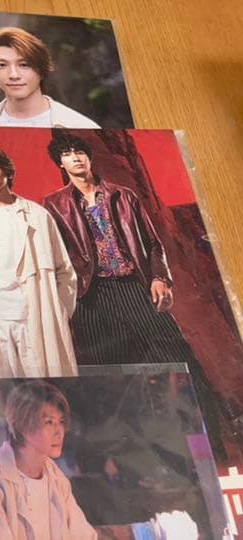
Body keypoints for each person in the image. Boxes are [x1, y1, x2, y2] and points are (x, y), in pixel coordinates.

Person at [42, 133, 224, 455]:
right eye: (68, 154)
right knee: (108, 380)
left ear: (89, 157)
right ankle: (127, 457)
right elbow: (54, 257)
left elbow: (152, 243)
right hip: (90, 298)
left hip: (134, 287)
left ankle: (213, 445)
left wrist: (159, 277)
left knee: (179, 363)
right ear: (60, 162)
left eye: (80, 151)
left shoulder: (123, 196)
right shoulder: (54, 205)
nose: (76, 158)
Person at [0, 145, 78, 378]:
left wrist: (59, 309)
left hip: (35, 316)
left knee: (47, 386)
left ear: (6, 171)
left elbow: (64, 269)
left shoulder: (38, 215)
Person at [0, 380, 96, 539]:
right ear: (22, 426)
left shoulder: (55, 477)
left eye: (61, 422)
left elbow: (84, 535)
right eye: (49, 422)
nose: (60, 432)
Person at [0, 27, 100, 128]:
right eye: (2, 65)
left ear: (41, 69)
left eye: (24, 65)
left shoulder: (80, 126)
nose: (13, 75)